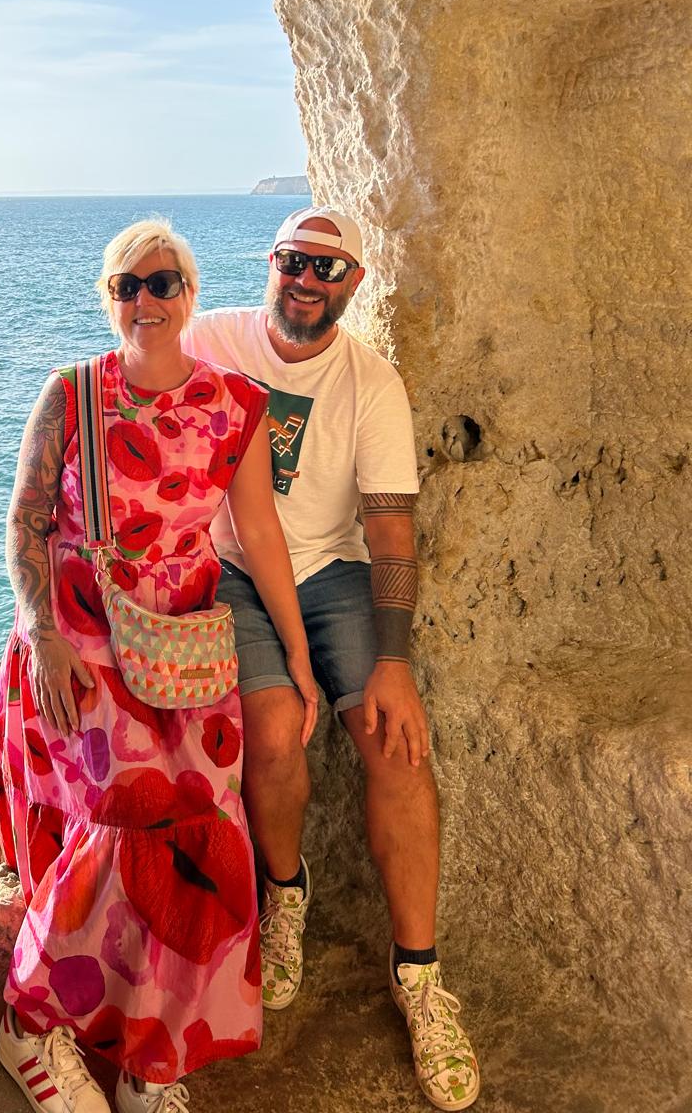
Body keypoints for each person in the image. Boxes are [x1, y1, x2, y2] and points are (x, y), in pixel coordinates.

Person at [0, 219, 319, 1113]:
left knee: (211, 833)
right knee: (126, 823)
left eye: (163, 283)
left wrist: (296, 656)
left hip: (185, 650)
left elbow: (260, 535)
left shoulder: (235, 404)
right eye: (127, 286)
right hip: (81, 640)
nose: (146, 300)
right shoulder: (71, 394)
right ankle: (27, 1024)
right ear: (109, 300)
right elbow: (24, 523)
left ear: (190, 295)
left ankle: (152, 1054)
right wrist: (42, 633)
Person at [182, 207, 480, 1113]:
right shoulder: (212, 339)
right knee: (273, 731)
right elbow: (133, 386)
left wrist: (394, 663)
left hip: (335, 574)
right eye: (294, 261)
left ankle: (420, 977)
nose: (307, 281)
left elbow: (390, 533)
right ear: (270, 263)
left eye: (328, 269)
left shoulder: (370, 383)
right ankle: (285, 895)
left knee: (395, 742)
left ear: (355, 283)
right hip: (234, 569)